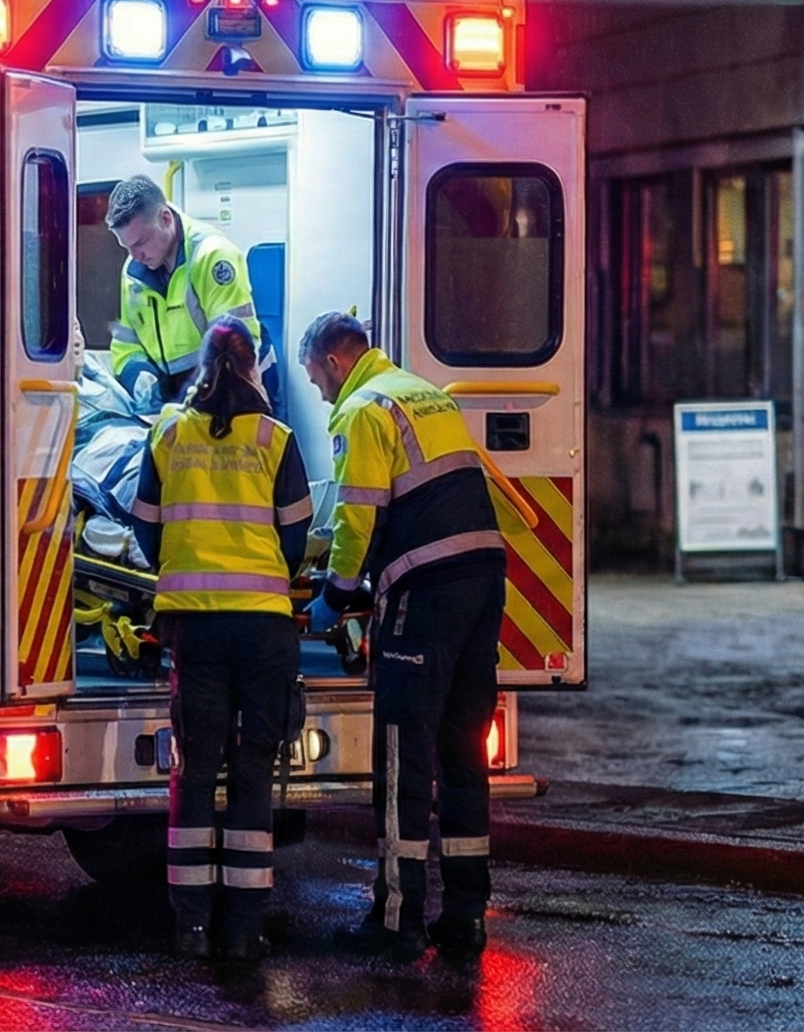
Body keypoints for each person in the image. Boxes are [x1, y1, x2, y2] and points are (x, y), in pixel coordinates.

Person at [298, 310, 505, 958]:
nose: (320, 394)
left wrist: (336, 594)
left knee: (402, 759)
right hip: (481, 580)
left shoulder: (363, 409)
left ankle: (397, 920)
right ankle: (465, 915)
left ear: (335, 362)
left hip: (427, 590)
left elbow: (358, 515)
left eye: (316, 379)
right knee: (463, 754)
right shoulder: (423, 393)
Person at [125, 322, 312, 962]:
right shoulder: (275, 439)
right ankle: (244, 929)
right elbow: (296, 536)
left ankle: (193, 926)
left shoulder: (169, 434)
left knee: (196, 771)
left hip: (195, 625)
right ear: (254, 367)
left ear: (200, 366)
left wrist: (181, 564)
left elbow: (145, 527)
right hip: (263, 626)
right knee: (254, 771)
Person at [106, 175, 267, 403]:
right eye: (127, 247)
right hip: (175, 395)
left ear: (165, 219)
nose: (135, 256)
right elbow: (126, 343)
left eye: (140, 242)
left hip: (230, 388)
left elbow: (235, 348)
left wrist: (200, 399)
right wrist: (138, 374)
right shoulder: (133, 274)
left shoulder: (211, 256)